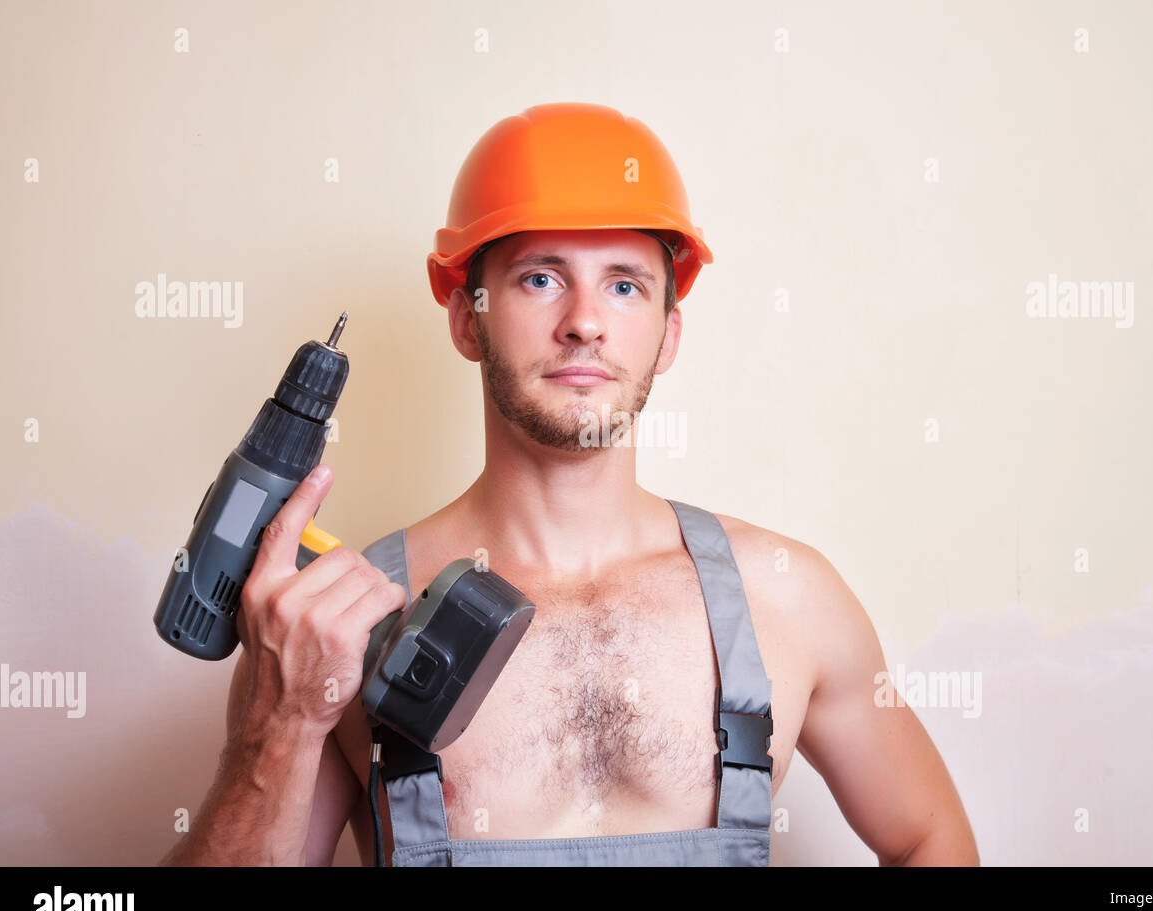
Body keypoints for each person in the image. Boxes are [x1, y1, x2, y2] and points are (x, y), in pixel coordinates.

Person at [162, 103, 979, 867]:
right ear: (464, 317)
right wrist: (282, 723)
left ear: (668, 334)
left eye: (625, 284)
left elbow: (931, 838)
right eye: (540, 278)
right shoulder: (333, 628)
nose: (585, 320)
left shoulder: (788, 600)